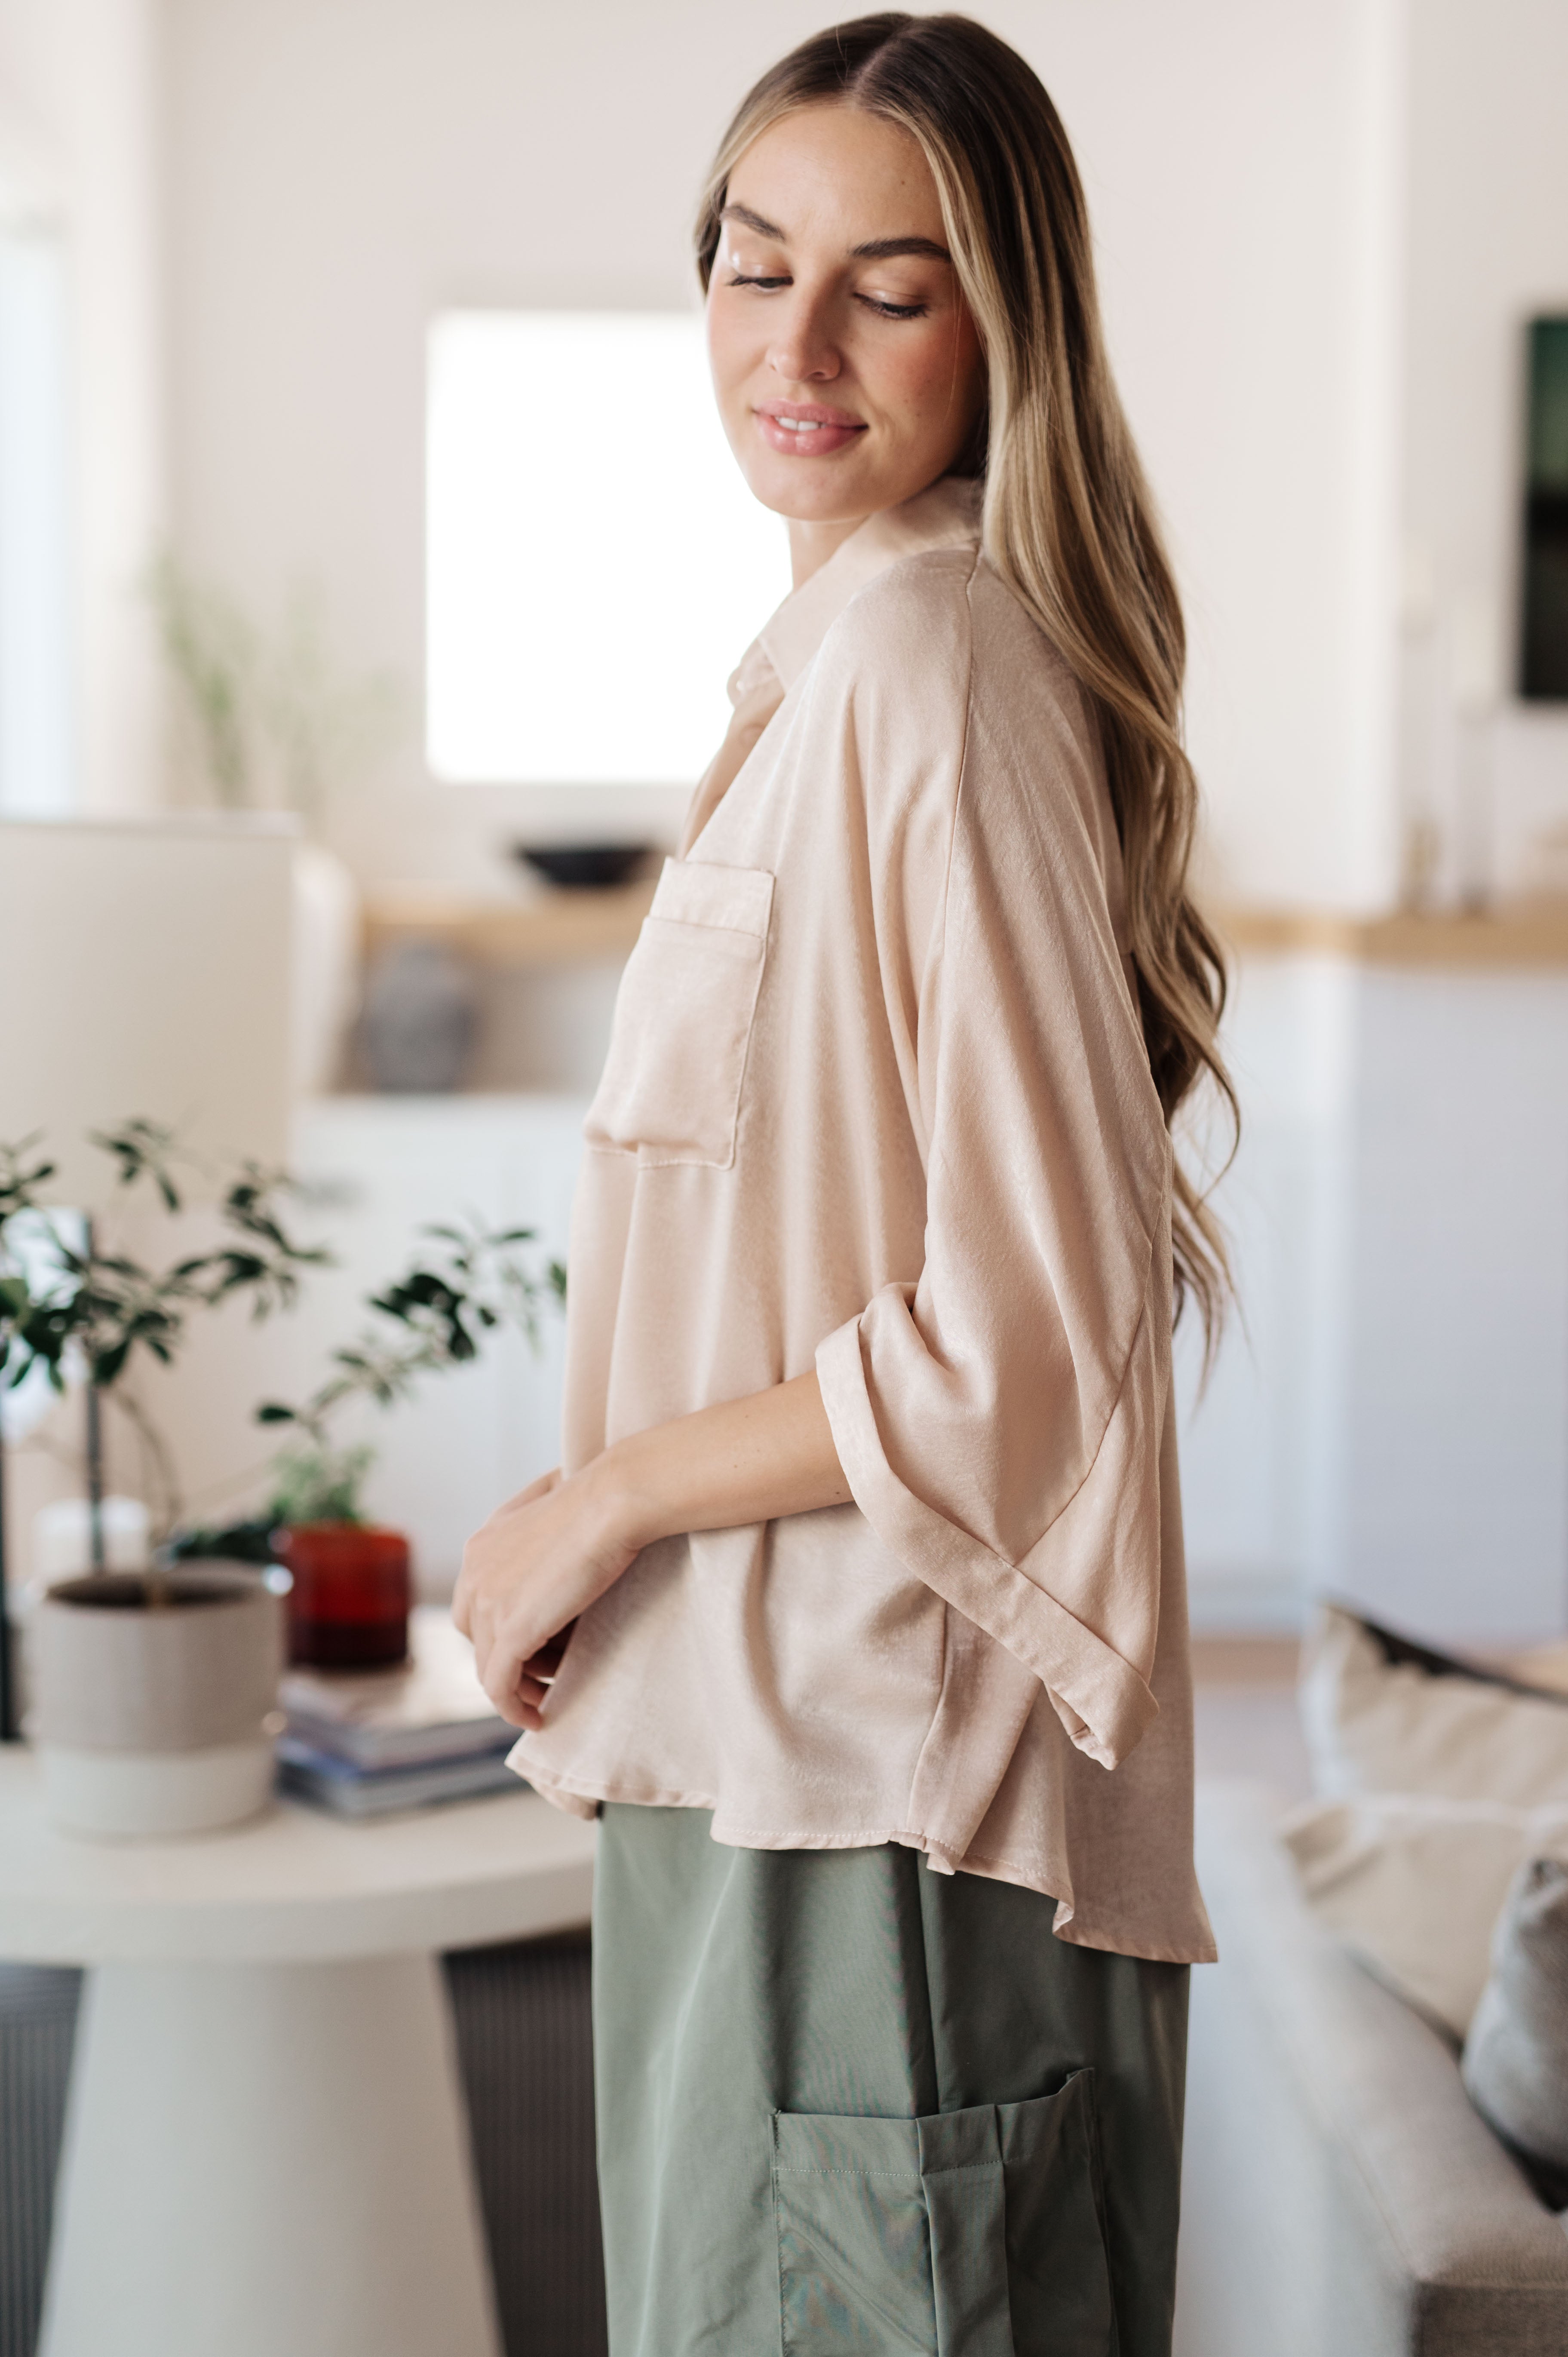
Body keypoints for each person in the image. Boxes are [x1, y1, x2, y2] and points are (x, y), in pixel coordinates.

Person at [454, 14, 1234, 2351]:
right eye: (751, 263)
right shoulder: (825, 671)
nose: (792, 346)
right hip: (765, 1757)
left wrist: (607, 1501)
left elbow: (1028, 1329)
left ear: (1003, 330)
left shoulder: (929, 661)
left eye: (887, 289)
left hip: (878, 1799)